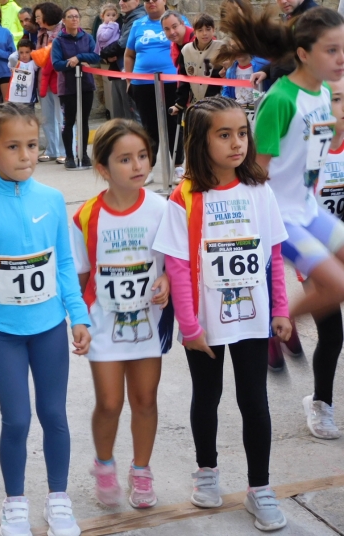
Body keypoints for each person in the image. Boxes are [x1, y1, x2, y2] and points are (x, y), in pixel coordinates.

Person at [153, 96, 291, 532]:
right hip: (204, 323)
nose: (237, 144)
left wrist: (281, 309)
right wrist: (189, 325)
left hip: (253, 320)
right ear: (199, 141)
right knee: (206, 396)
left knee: (254, 399)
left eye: (242, 133)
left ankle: (260, 488)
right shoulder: (185, 196)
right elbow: (177, 264)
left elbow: (272, 254)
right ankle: (207, 471)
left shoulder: (259, 190)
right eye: (224, 134)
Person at [0, 102, 91, 536]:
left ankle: (59, 499)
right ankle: (14, 502)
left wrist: (78, 315)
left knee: (54, 415)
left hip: (50, 329)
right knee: (15, 419)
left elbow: (65, 265)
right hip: (5, 336)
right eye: (13, 146)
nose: (26, 155)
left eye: (32, 145)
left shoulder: (52, 199)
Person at [222, 6, 344, 441]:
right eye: (332, 49)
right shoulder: (280, 99)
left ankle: (293, 328)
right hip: (282, 215)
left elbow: (318, 152)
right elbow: (258, 170)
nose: (341, 57)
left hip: (311, 209)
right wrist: (256, 235)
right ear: (302, 53)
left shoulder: (324, 93)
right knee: (336, 286)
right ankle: (279, 323)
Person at [71, 119, 173, 510]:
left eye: (143, 156)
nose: (138, 166)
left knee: (145, 399)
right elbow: (80, 275)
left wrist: (164, 280)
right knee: (110, 402)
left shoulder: (162, 209)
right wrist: (78, 320)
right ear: (103, 168)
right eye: (125, 159)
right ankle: (104, 465)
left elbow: (171, 264)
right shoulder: (85, 216)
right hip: (104, 321)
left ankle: (142, 470)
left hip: (149, 321)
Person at [306, 77, 344, 440]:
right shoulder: (307, 154)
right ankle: (321, 404)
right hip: (315, 253)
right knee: (333, 334)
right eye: (335, 98)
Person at [125, 0, 183, 182]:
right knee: (148, 127)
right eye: (147, 0)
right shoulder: (138, 24)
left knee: (174, 124)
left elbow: (188, 46)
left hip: (173, 82)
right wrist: (129, 80)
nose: (151, 2)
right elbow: (129, 54)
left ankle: (178, 166)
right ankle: (148, 166)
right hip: (143, 84)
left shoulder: (178, 20)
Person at [52, 6, 100, 169]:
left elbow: (95, 55)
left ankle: (84, 154)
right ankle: (69, 156)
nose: (74, 19)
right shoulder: (58, 41)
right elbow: (57, 64)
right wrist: (71, 63)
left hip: (86, 84)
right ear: (64, 21)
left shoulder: (87, 37)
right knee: (69, 121)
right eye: (70, 17)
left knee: (84, 120)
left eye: (76, 16)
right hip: (68, 87)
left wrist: (78, 57)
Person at [99, 0, 144, 121]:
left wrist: (103, 53)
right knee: (122, 115)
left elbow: (123, 44)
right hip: (120, 70)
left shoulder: (137, 18)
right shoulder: (129, 18)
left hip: (129, 72)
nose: (120, 3)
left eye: (125, 0)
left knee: (131, 116)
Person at [33, 2, 66, 163]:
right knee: (47, 117)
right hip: (44, 79)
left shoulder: (64, 31)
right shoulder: (42, 33)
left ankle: (64, 149)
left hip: (60, 79)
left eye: (39, 17)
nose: (37, 20)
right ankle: (51, 149)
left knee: (62, 117)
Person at [170, 14, 223, 113]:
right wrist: (180, 103)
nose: (204, 33)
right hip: (195, 104)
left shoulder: (221, 48)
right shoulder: (186, 50)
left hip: (216, 103)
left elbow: (219, 77)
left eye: (208, 29)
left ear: (214, 30)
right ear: (194, 32)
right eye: (200, 30)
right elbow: (183, 79)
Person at [8, 39, 37, 105]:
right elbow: (11, 58)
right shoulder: (15, 63)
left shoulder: (33, 64)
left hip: (29, 97)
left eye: (27, 52)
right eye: (21, 52)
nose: (24, 55)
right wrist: (17, 52)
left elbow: (39, 57)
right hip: (15, 97)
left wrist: (33, 53)